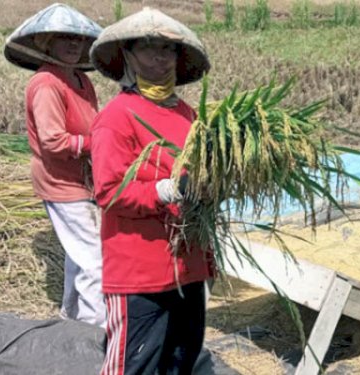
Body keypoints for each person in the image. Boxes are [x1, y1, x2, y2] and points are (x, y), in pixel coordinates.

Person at [89, 7, 215, 374]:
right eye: (148, 48)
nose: (160, 57)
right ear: (127, 55)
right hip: (141, 271)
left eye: (168, 49)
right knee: (135, 366)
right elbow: (109, 191)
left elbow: (200, 173)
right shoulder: (116, 117)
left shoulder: (189, 115)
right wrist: (163, 190)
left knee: (181, 360)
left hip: (187, 265)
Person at [4, 3, 106, 327]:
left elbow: (94, 123)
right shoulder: (47, 83)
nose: (73, 44)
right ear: (47, 43)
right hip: (61, 183)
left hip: (83, 181)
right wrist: (94, 145)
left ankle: (70, 320)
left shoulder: (80, 80)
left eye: (78, 39)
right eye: (64, 38)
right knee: (95, 261)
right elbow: (53, 142)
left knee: (80, 256)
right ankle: (94, 333)